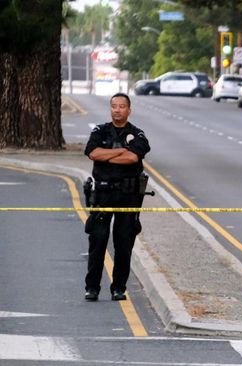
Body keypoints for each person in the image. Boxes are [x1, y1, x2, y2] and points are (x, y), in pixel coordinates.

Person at [83, 93, 150, 302]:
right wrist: (121, 150)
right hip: (102, 193)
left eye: (122, 106)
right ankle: (92, 288)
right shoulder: (100, 131)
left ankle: (118, 288)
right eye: (114, 106)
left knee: (123, 242)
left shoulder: (137, 134)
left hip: (127, 195)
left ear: (129, 110)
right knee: (98, 240)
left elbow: (133, 158)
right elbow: (93, 153)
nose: (118, 110)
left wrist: (108, 155)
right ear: (110, 109)